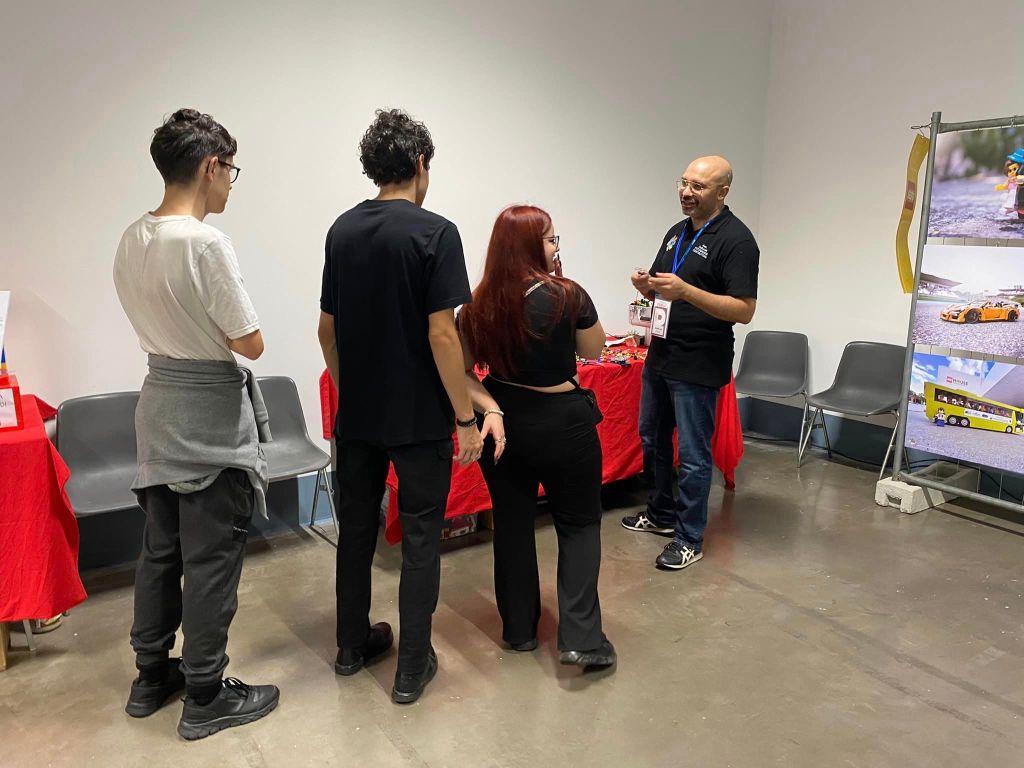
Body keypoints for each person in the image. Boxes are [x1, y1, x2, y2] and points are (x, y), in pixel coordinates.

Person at [113, 109, 278, 740]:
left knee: (160, 553)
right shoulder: (205, 243)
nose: (232, 182)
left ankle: (151, 676)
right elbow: (250, 341)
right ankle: (206, 693)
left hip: (157, 409)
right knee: (210, 562)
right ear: (211, 167)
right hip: (208, 419)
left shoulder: (133, 237)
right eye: (231, 169)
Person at [318, 108, 485, 705]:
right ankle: (412, 666)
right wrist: (465, 417)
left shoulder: (341, 230)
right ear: (420, 163)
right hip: (418, 419)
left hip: (359, 418)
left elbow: (326, 332)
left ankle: (349, 647)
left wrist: (352, 391)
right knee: (419, 538)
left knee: (356, 532)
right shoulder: (436, 233)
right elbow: (443, 335)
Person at [457, 205, 616, 668]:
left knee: (511, 525)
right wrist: (564, 291)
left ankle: (519, 630)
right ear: (531, 245)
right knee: (579, 525)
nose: (555, 247)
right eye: (550, 239)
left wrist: (490, 406)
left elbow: (461, 372)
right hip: (564, 423)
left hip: (503, 422)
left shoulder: (476, 305)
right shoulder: (568, 294)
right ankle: (581, 638)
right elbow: (594, 349)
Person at [622, 156, 759, 571]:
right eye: (683, 183)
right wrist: (646, 288)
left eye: (698, 186)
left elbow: (744, 310)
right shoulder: (676, 233)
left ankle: (688, 538)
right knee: (652, 439)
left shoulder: (737, 240)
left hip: (699, 362)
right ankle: (661, 514)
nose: (686, 192)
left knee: (695, 455)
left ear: (723, 191)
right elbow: (664, 289)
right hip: (661, 355)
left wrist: (685, 291)